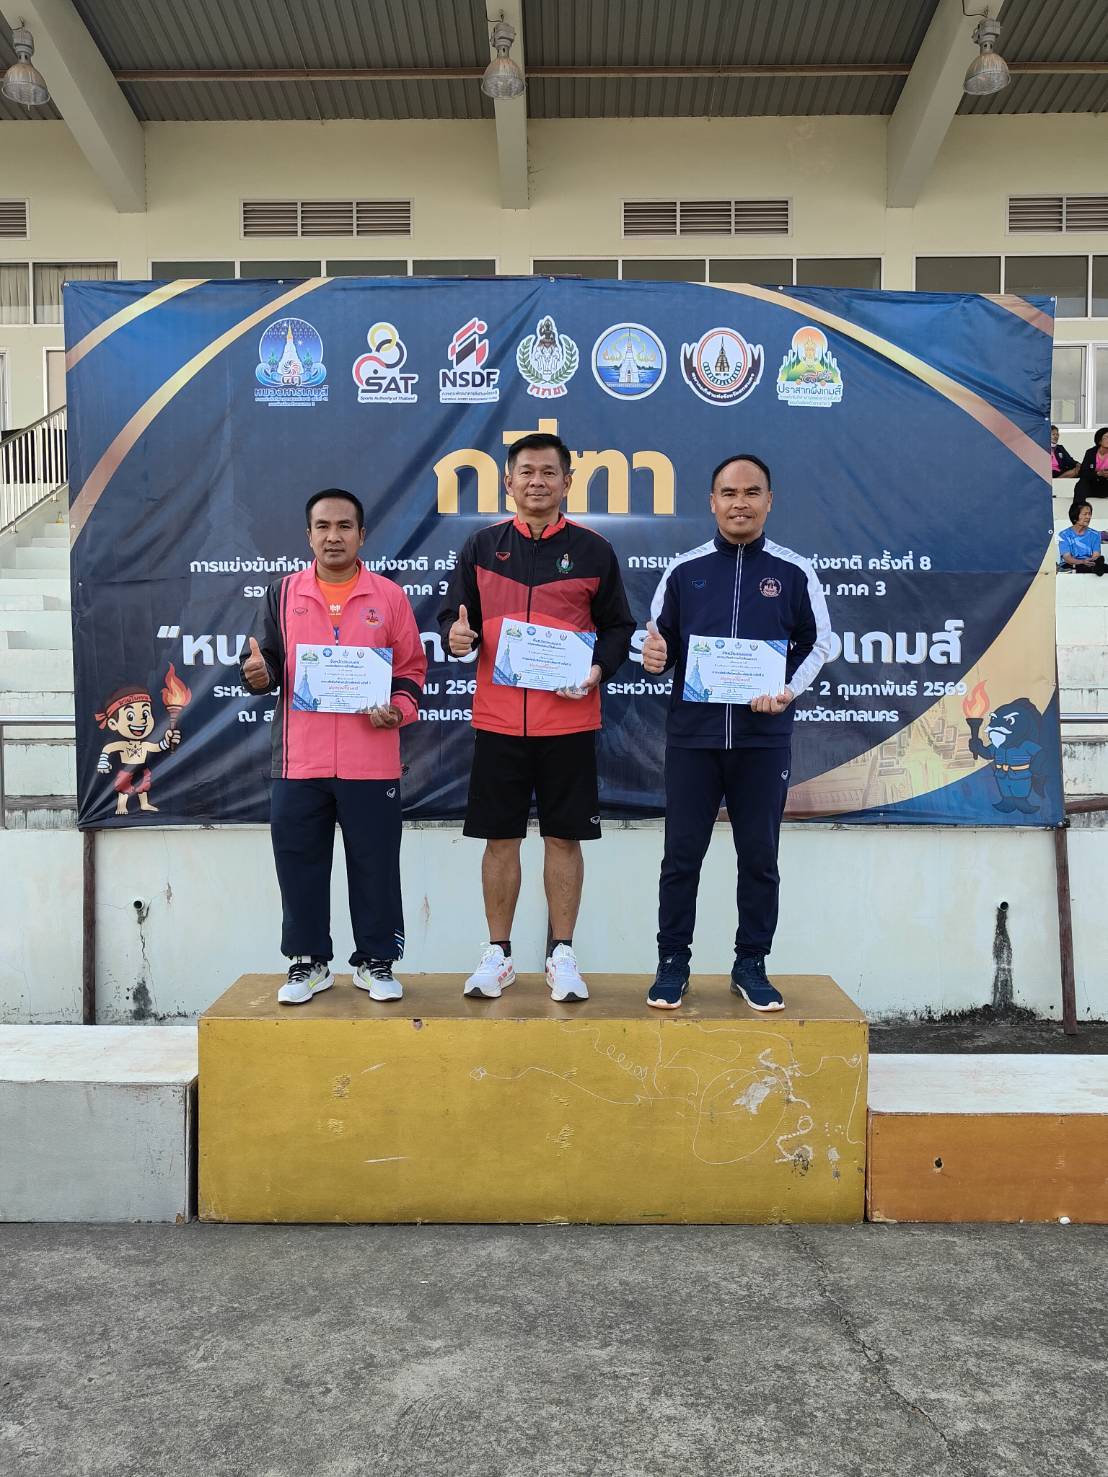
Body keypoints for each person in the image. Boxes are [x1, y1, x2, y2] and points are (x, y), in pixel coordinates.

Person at [439, 432, 634, 1003]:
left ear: (568, 482)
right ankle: (497, 955)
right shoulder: (481, 546)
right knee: (500, 839)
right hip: (498, 721)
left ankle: (562, 954)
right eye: (526, 472)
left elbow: (618, 627)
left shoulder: (595, 550)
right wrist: (456, 637)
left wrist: (598, 669)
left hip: (568, 721)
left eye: (549, 472)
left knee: (563, 838)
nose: (537, 482)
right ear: (508, 481)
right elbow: (454, 621)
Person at [641, 453, 832, 1013]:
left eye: (751, 493)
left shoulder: (794, 572)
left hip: (761, 740)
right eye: (729, 493)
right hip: (693, 739)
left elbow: (819, 644)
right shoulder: (685, 570)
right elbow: (657, 643)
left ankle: (751, 963)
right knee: (681, 856)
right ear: (712, 502)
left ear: (769, 501)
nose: (740, 503)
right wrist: (653, 656)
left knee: (759, 857)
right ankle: (672, 962)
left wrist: (786, 691)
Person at [241, 488, 426, 1005]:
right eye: (323, 526)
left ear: (362, 535)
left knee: (375, 865)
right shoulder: (282, 594)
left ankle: (376, 961)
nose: (333, 536)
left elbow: (411, 669)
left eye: (344, 526)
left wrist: (399, 709)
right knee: (299, 862)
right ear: (309, 536)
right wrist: (257, 674)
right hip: (299, 760)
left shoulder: (389, 596)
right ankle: (308, 962)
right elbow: (264, 664)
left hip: (372, 761)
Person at [1058, 500, 1106, 575]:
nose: (1088, 517)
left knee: (1100, 566)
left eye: (1089, 514)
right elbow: (1067, 558)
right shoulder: (1064, 535)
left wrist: (1093, 560)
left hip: (1090, 564)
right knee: (1084, 567)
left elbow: (1096, 555)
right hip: (1071, 565)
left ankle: (1095, 567)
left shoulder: (1095, 534)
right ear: (1075, 516)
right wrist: (1082, 561)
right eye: (1085, 514)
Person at [1075, 427, 1108, 499]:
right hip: (1092, 483)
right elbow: (1083, 472)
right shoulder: (1090, 452)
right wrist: (1098, 473)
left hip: (1106, 484)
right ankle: (1079, 504)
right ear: (1099, 440)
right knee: (1082, 482)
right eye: (1106, 437)